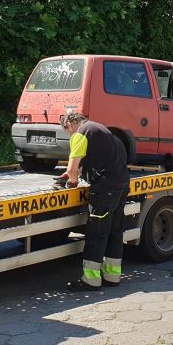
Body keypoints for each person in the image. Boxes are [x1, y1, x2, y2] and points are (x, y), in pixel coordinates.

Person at [57, 112, 130, 291]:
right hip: (121, 183)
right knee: (114, 231)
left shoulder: (80, 134)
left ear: (69, 125)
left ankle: (91, 280)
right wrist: (75, 172)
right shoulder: (100, 129)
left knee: (97, 232)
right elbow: (102, 158)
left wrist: (71, 181)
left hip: (105, 188)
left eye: (67, 132)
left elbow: (72, 170)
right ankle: (112, 276)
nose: (69, 136)